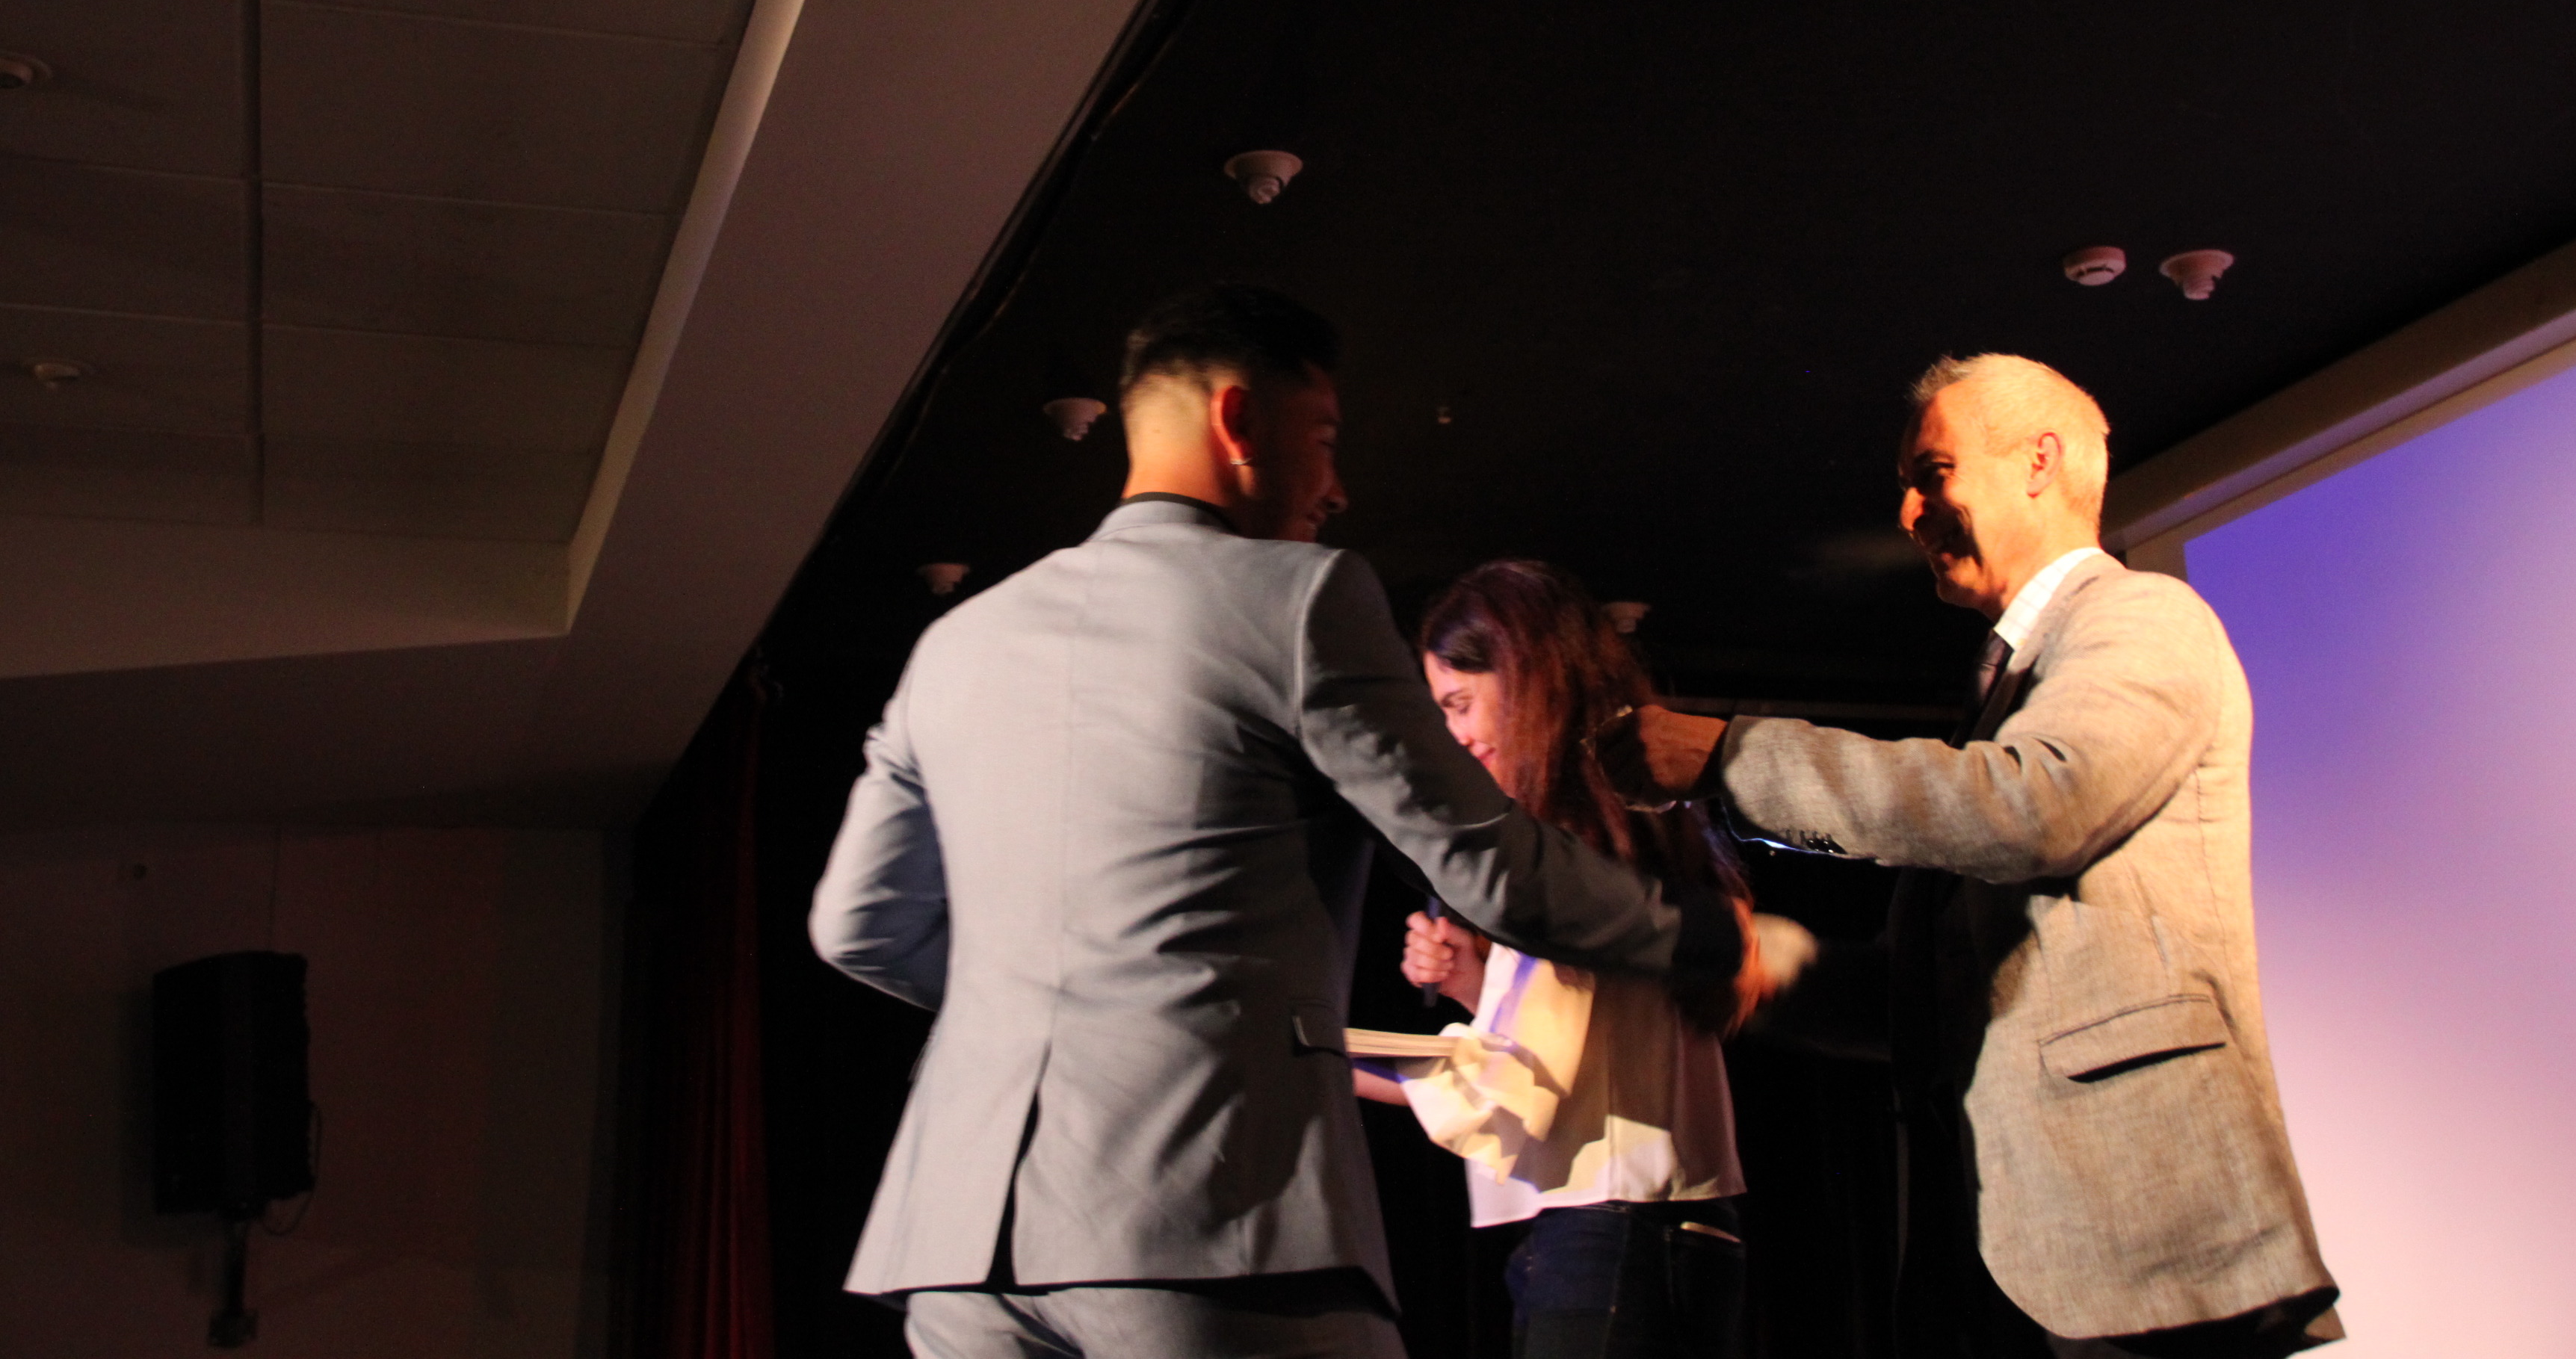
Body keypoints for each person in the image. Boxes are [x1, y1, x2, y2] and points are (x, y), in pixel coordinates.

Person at [809, 283, 1755, 1359]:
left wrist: (1068, 1010)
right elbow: (1489, 866)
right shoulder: (1298, 598)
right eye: (1325, 438)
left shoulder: (955, 647)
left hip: (953, 1242)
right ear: (1239, 421)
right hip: (1199, 1207)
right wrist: (1713, 938)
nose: (1336, 488)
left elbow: (857, 928)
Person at [1617, 353, 2341, 1358]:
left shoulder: (2142, 617)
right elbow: (1951, 999)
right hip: (2009, 1250)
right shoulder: (2004, 693)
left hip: (2141, 1250)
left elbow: (2039, 806)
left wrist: (1731, 757)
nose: (1909, 513)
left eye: (1934, 473)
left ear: (2040, 461)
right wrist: (1759, 964)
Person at [1355, 560, 1755, 1359]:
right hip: (1650, 1231)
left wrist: (1316, 1056)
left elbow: (1509, 1090)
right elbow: (1596, 1046)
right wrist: (1479, 984)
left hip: (1612, 1234)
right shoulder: (1632, 825)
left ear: (1526, 680)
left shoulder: (1568, 856)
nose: (1456, 738)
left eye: (1460, 704)